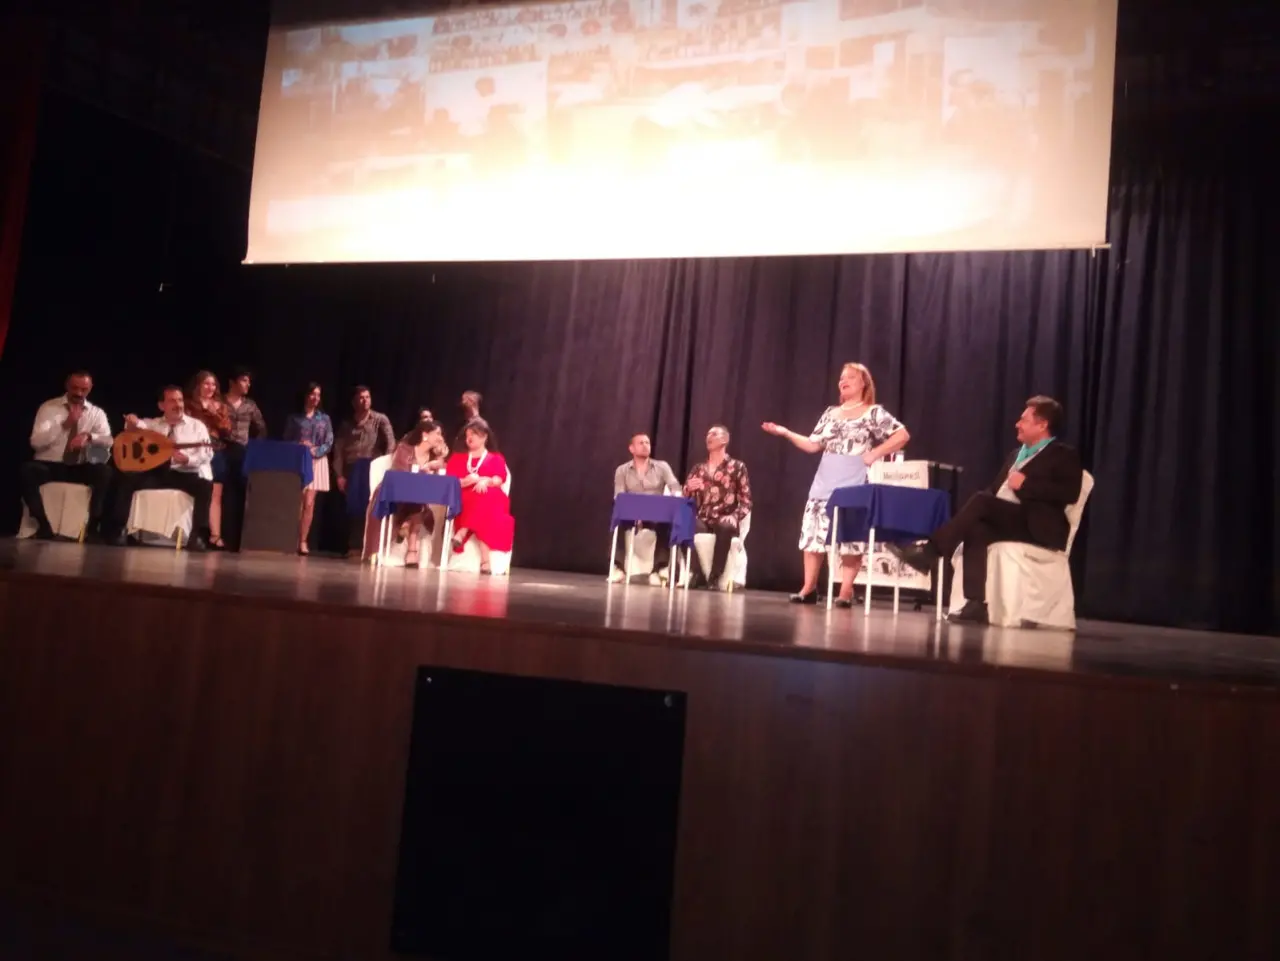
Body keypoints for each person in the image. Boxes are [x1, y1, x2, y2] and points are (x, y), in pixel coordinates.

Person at [889, 396, 1083, 624]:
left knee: (981, 502)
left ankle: (930, 552)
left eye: (1024, 420)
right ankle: (976, 604)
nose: (1017, 424)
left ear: (1042, 425)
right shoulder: (1016, 455)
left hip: (1038, 525)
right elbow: (994, 490)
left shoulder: (1062, 454)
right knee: (976, 528)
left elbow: (1070, 493)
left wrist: (1026, 484)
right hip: (1010, 520)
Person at [763, 362, 910, 607]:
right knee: (813, 538)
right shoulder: (830, 413)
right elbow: (813, 444)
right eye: (842, 377)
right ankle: (809, 588)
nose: (844, 381)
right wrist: (785, 432)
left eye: (850, 377)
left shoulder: (873, 412)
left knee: (850, 541)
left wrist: (876, 453)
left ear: (864, 383)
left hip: (853, 483)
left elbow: (902, 435)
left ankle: (845, 592)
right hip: (825, 482)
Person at [107, 386, 214, 551]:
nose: (178, 405)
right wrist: (131, 421)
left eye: (180, 400)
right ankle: (119, 529)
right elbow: (136, 427)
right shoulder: (154, 425)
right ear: (161, 405)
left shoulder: (196, 426)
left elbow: (207, 454)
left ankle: (198, 536)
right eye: (172, 401)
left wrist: (188, 459)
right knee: (127, 479)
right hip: (159, 474)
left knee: (205, 486)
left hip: (184, 474)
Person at [21, 371, 113, 540]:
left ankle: (93, 527)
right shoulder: (49, 408)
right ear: (67, 386)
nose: (79, 393)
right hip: (50, 464)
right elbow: (36, 442)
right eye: (75, 388)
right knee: (27, 470)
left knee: (104, 472)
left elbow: (108, 440)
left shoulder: (96, 413)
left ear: (90, 389)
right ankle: (43, 525)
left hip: (79, 465)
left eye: (84, 389)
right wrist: (66, 425)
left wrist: (89, 437)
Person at [363, 420, 450, 567]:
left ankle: (408, 531)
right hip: (394, 494)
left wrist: (440, 459)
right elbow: (400, 474)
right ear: (425, 435)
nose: (440, 438)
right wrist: (424, 470)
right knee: (417, 501)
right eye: (437, 434)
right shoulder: (404, 449)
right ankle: (410, 549)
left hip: (417, 497)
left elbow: (439, 478)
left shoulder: (433, 458)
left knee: (417, 500)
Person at [682, 425, 752, 589]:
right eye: (708, 434)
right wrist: (688, 488)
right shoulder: (699, 469)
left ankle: (715, 576)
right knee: (682, 525)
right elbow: (686, 495)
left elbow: (746, 500)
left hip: (725, 517)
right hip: (704, 517)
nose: (709, 437)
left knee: (725, 526)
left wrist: (735, 516)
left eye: (714, 434)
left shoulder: (737, 467)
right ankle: (697, 572)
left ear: (725, 440)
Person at [610, 432, 682, 585]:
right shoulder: (622, 470)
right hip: (632, 514)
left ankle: (660, 568)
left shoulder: (662, 467)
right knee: (617, 520)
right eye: (641, 443)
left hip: (656, 514)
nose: (645, 446)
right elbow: (619, 496)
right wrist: (634, 512)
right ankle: (618, 568)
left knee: (666, 523)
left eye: (647, 443)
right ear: (631, 448)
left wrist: (676, 495)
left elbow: (674, 485)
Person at [333, 386, 397, 554]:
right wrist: (339, 474)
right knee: (354, 508)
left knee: (370, 505)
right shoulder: (347, 424)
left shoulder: (379, 419)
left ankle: (370, 546)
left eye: (367, 397)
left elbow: (391, 442)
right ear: (354, 401)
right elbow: (338, 449)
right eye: (361, 398)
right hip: (352, 467)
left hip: (371, 467)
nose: (365, 400)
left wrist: (386, 464)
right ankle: (354, 545)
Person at [446, 418, 514, 574]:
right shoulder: (458, 457)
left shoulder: (496, 458)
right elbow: (450, 481)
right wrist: (466, 481)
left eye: (474, 434)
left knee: (487, 496)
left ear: (484, 437)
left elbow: (499, 479)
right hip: (465, 496)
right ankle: (485, 561)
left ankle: (462, 531)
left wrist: (486, 481)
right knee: (484, 503)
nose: (469, 438)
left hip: (491, 496)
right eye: (467, 435)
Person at [282, 382, 334, 556]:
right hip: (298, 460)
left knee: (309, 503)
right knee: (297, 502)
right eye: (312, 394)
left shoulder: (324, 419)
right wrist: (299, 445)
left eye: (318, 395)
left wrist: (316, 451)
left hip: (316, 461)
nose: (315, 398)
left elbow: (329, 441)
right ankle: (291, 539)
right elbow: (286, 439)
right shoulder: (294, 418)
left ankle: (303, 540)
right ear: (305, 396)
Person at [221, 367, 268, 551]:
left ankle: (236, 540)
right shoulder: (220, 401)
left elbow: (261, 427)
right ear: (232, 382)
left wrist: (255, 448)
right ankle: (218, 535)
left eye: (249, 381)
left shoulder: (250, 405)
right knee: (221, 493)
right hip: (221, 449)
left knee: (240, 494)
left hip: (242, 451)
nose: (248, 384)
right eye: (243, 380)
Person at [185, 370, 233, 549]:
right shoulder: (189, 404)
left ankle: (215, 535)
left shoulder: (220, 406)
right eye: (206, 383)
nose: (210, 388)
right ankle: (194, 532)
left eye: (213, 384)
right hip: (195, 451)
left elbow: (227, 430)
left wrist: (214, 414)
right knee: (198, 490)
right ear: (198, 385)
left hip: (216, 451)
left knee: (216, 494)